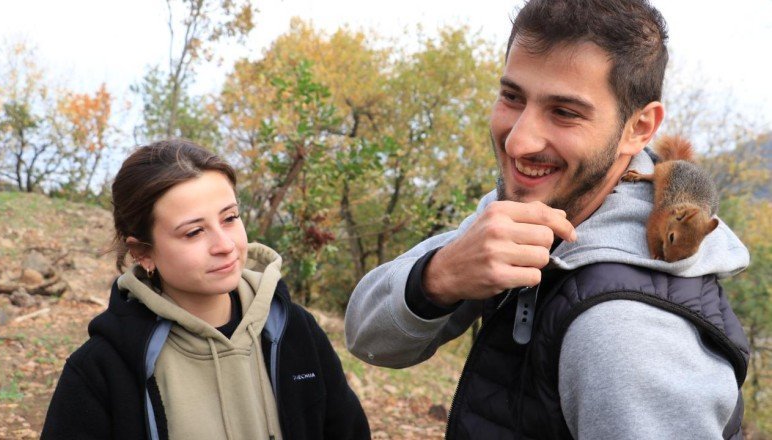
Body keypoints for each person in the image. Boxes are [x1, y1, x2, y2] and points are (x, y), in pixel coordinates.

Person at [344, 0, 750, 438]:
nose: (518, 143)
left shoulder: (623, 332)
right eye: (512, 97)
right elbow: (368, 340)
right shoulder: (543, 206)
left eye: (565, 112)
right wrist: (439, 277)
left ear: (639, 128)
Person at [42, 139, 370, 439]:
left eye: (230, 218)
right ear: (143, 252)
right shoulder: (101, 369)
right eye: (194, 232)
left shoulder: (295, 330)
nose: (225, 245)